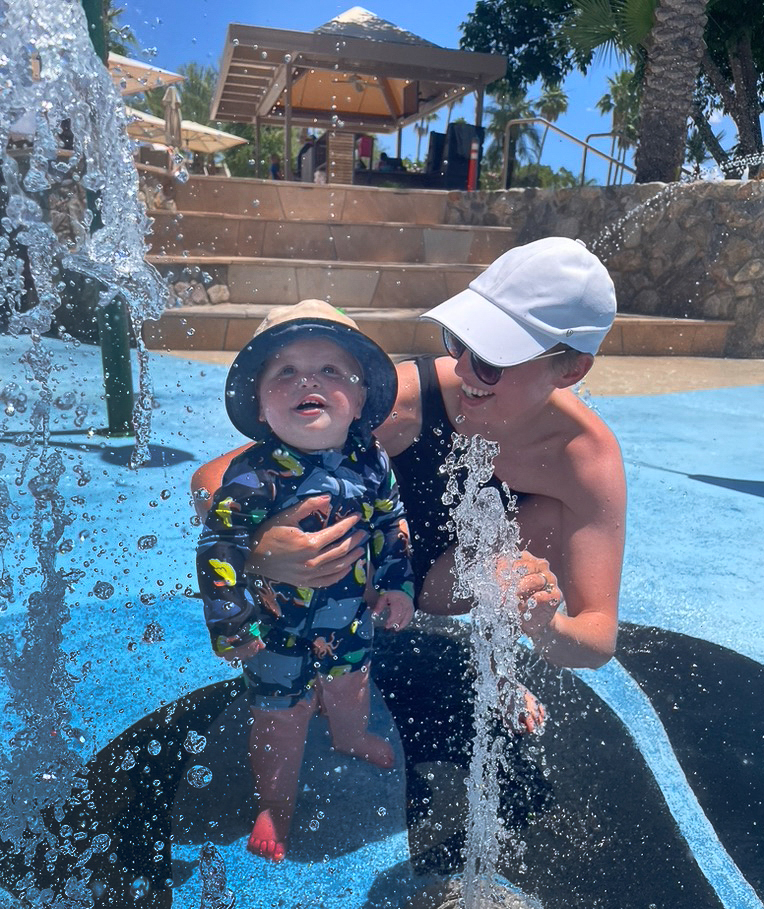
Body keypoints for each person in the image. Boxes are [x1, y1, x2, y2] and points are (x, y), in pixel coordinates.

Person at [192, 237, 626, 734]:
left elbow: (596, 639)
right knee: (302, 496)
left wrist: (544, 626)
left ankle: (495, 667)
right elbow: (210, 481)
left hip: (446, 582)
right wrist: (262, 552)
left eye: (491, 359)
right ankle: (310, 657)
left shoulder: (585, 461)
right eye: (459, 341)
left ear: (571, 370)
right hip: (361, 567)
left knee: (546, 522)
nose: (463, 370)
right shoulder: (417, 398)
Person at [196, 300, 415, 862]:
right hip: (276, 630)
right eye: (286, 372)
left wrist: (397, 585)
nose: (307, 381)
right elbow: (219, 548)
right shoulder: (254, 474)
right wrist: (232, 623)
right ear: (262, 405)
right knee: (279, 718)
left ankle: (348, 734)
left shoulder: (372, 462)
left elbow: (391, 525)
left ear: (361, 398)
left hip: (349, 621)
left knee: (351, 686)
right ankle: (274, 802)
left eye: (330, 371)